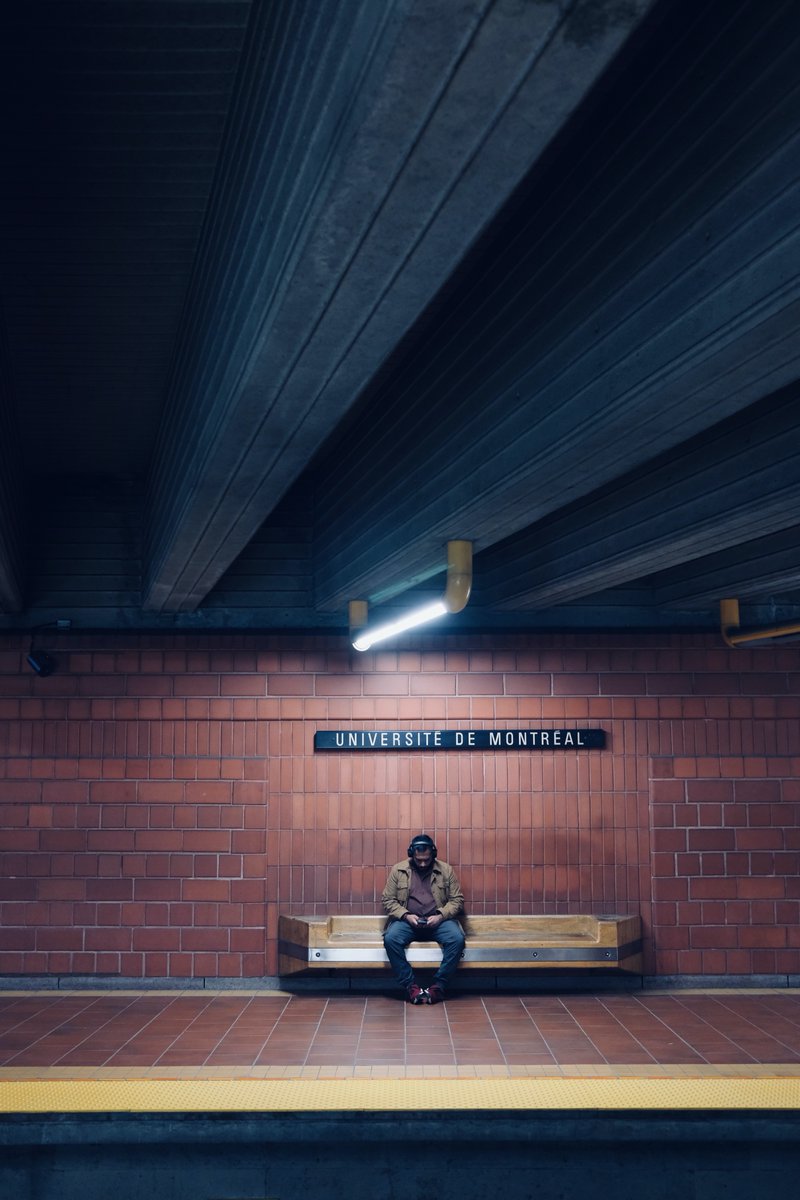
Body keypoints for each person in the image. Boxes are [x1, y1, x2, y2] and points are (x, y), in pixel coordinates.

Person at [382, 833, 465, 1004]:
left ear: (433, 855)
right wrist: (406, 915)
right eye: (418, 860)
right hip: (408, 923)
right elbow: (388, 900)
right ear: (411, 854)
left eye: (426, 860)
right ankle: (411, 987)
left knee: (457, 938)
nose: (422, 864)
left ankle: (438, 987)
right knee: (391, 939)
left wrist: (441, 916)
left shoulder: (446, 870)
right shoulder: (398, 870)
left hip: (438, 923)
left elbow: (457, 900)